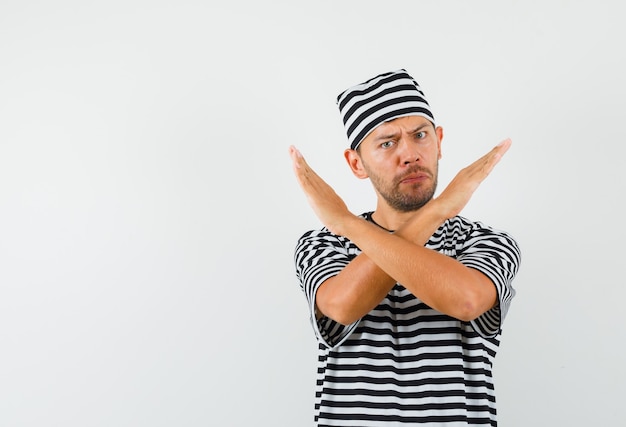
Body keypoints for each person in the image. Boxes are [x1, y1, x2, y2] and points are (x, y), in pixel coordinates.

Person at [289, 69, 521, 426]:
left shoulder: (485, 242)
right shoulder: (324, 242)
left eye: (420, 135)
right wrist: (436, 210)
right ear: (356, 164)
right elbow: (341, 306)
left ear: (439, 141)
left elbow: (467, 300)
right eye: (387, 142)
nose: (410, 154)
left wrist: (349, 222)